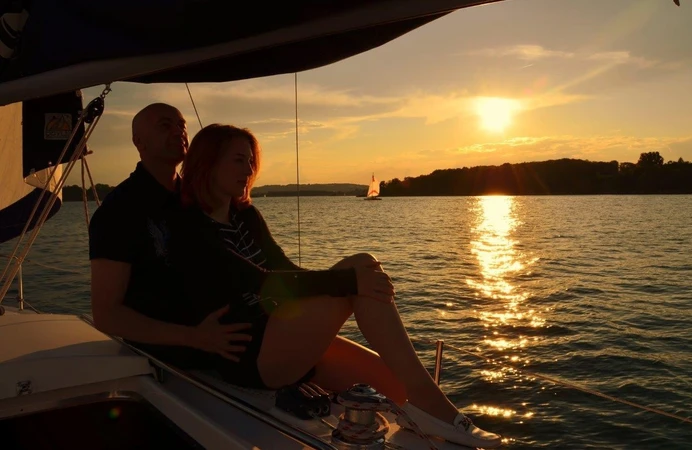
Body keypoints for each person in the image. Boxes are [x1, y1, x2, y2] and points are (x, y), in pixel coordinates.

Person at [166, 123, 502, 448]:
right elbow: (263, 283)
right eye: (238, 159)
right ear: (208, 163)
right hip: (249, 356)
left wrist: (345, 283)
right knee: (359, 267)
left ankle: (431, 407)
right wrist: (348, 280)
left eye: (251, 160)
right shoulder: (192, 229)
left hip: (283, 333)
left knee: (398, 391)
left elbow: (286, 270)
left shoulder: (245, 217)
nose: (249, 168)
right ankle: (439, 411)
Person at [88, 103, 252, 364]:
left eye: (182, 126)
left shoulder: (200, 197)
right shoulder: (119, 211)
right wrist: (194, 337)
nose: (179, 132)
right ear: (138, 141)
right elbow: (107, 315)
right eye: (166, 126)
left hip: (233, 336)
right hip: (177, 357)